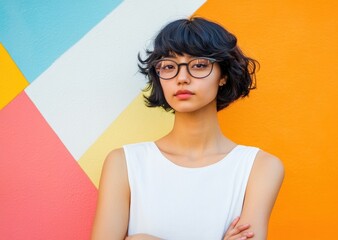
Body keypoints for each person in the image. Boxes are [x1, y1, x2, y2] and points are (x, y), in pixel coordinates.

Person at [91, 17, 284, 240]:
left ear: (223, 75)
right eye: (169, 67)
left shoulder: (260, 167)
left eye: (199, 65)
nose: (182, 78)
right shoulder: (123, 163)